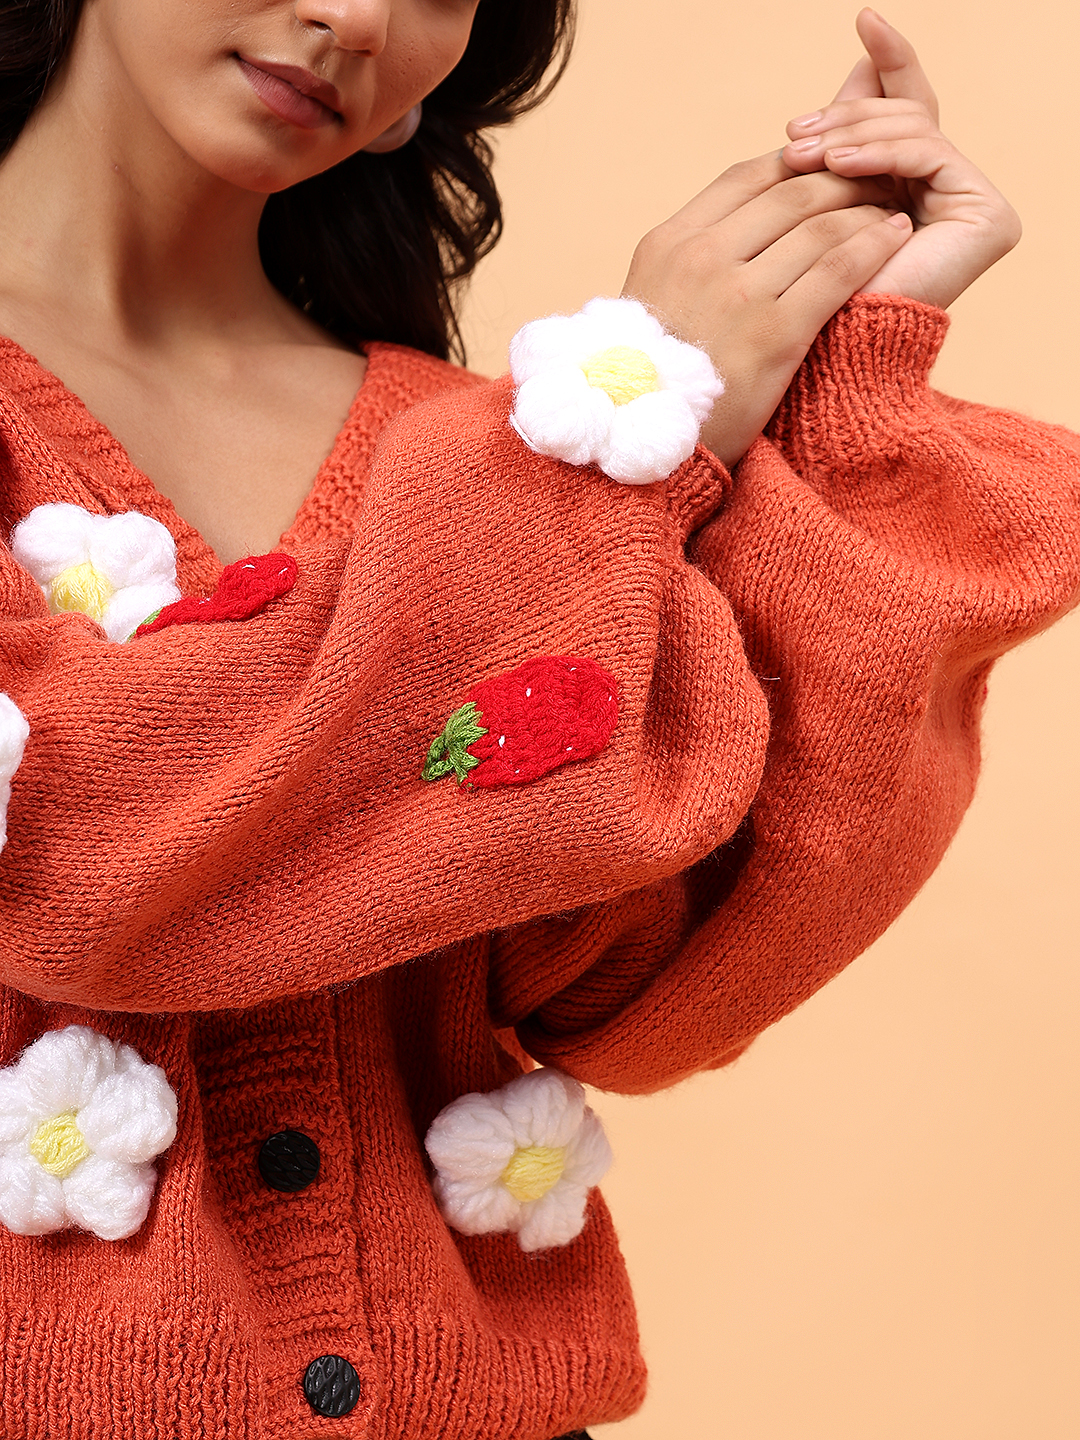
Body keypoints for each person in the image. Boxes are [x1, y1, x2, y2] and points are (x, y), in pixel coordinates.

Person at [0, 2, 1075, 1437]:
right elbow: (72, 843)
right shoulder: (539, 476)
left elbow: (640, 987)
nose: (357, 14)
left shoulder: (487, 460)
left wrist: (837, 384)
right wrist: (615, 429)